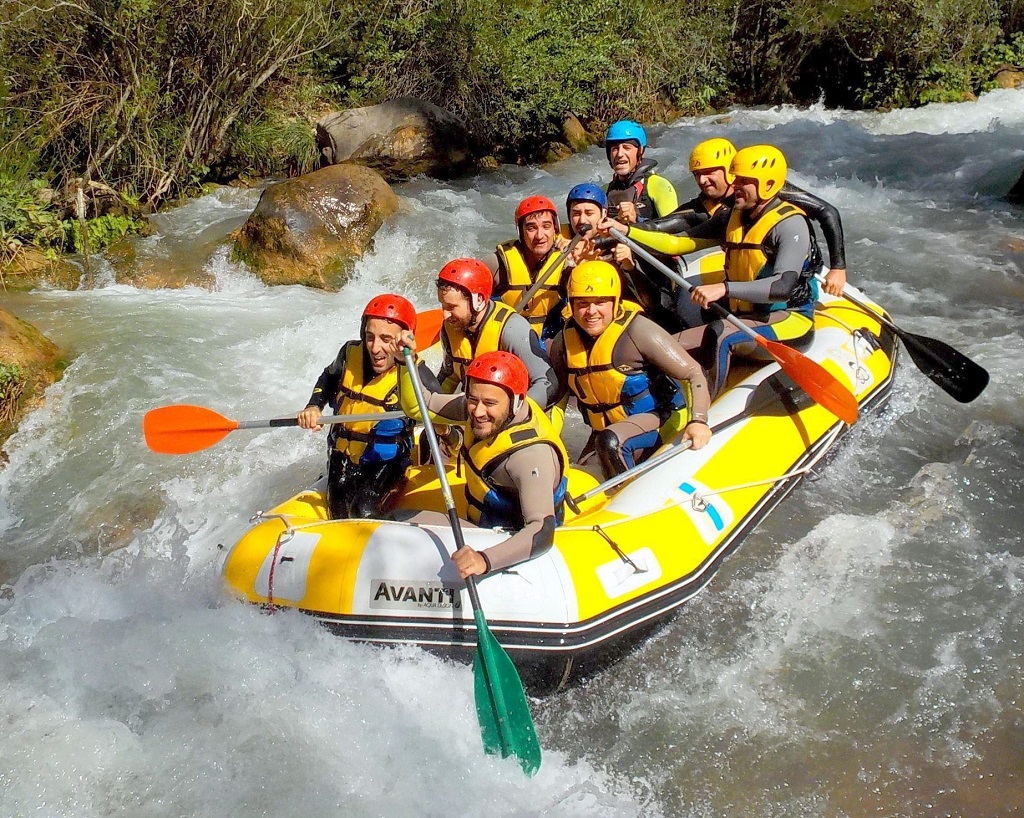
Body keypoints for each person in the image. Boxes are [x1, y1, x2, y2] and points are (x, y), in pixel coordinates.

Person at [609, 145, 818, 398]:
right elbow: (675, 243)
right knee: (663, 346)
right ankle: (664, 406)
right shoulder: (731, 217)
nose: (735, 185)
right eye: (736, 178)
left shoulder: (789, 223)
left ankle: (703, 413)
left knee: (722, 335)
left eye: (744, 181)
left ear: (768, 184)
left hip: (788, 321)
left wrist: (724, 288)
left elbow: (781, 287)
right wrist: (625, 231)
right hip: (741, 318)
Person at [394, 347, 568, 579]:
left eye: (489, 403)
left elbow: (542, 531)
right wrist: (405, 362)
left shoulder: (531, 457)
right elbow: (419, 406)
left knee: (396, 528)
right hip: (480, 518)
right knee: (395, 519)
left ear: (517, 402)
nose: (478, 412)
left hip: (504, 538)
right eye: (473, 399)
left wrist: (484, 560)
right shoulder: (485, 406)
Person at [548, 260, 712, 479]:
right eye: (583, 303)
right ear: (571, 304)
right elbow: (558, 400)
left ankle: (626, 499)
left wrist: (698, 421)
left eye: (600, 302)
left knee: (610, 442)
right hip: (605, 432)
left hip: (658, 420)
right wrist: (547, 439)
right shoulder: (564, 343)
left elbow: (693, 373)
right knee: (574, 475)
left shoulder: (638, 331)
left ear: (615, 302)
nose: (591, 311)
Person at [648, 137, 849, 298]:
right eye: (697, 174)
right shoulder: (705, 205)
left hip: (793, 276)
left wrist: (838, 268)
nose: (702, 180)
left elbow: (827, 212)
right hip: (747, 276)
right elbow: (661, 227)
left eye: (709, 172)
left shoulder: (771, 191)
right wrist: (625, 228)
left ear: (730, 169)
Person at [297, 294, 437, 520]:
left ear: (403, 340)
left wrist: (448, 437)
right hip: (342, 456)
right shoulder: (349, 353)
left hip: (386, 464)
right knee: (339, 512)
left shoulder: (416, 374)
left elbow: (442, 413)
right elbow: (328, 378)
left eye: (385, 339)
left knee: (364, 510)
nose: (375, 347)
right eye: (370, 337)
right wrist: (314, 406)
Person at [435, 257, 559, 410]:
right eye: (442, 305)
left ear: (478, 300)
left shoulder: (512, 329)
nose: (445, 315)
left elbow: (548, 383)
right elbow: (449, 376)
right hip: (479, 412)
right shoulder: (450, 327)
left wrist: (514, 414)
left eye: (451, 307)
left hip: (516, 415)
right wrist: (431, 413)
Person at [486, 196, 571, 341]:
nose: (539, 235)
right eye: (531, 228)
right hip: (506, 341)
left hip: (548, 342)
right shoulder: (497, 263)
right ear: (521, 232)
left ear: (555, 229)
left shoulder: (566, 263)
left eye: (546, 226)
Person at [604, 120, 679, 224]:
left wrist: (637, 220)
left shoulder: (660, 186)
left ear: (640, 152)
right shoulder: (605, 191)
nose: (620, 154)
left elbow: (674, 233)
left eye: (627, 147)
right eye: (615, 148)